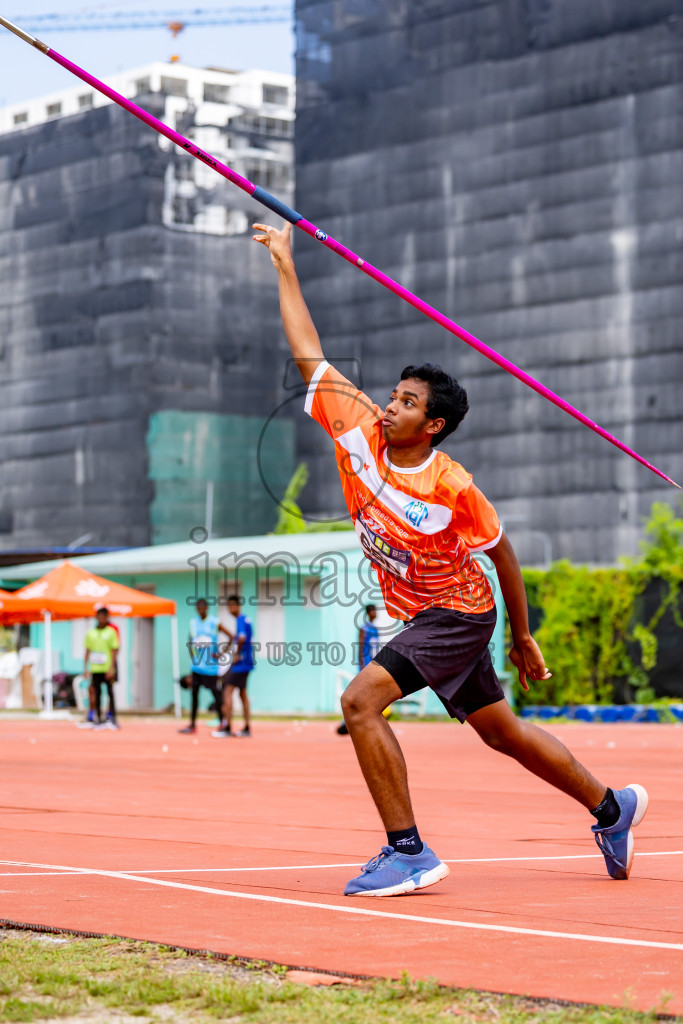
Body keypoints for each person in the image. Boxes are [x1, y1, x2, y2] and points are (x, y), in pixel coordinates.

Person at [253, 220, 648, 896]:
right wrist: (285, 263)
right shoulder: (355, 431)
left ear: (430, 426)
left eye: (406, 402)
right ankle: (612, 810)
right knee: (502, 734)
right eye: (393, 393)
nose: (389, 405)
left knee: (359, 702)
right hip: (429, 615)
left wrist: (521, 636)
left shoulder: (452, 487)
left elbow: (503, 555)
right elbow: (306, 353)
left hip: (458, 612)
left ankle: (406, 851)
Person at [179, 598, 228, 734]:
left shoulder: (214, 622)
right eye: (198, 608)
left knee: (216, 695)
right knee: (194, 695)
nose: (200, 610)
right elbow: (190, 640)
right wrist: (193, 656)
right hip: (196, 667)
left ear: (206, 608)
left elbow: (231, 636)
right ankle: (192, 724)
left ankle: (222, 722)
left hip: (210, 667)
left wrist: (221, 653)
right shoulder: (193, 623)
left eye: (203, 607)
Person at [212, 594, 254, 738]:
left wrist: (237, 654)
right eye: (228, 606)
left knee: (227, 691)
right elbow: (237, 639)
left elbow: (241, 638)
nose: (230, 609)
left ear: (237, 606)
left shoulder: (241, 620)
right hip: (247, 662)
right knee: (242, 694)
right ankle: (247, 727)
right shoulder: (246, 619)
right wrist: (221, 653)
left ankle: (227, 727)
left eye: (231, 606)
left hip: (241, 663)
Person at [337, 604, 381, 735]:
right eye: (374, 611)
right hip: (365, 666)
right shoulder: (364, 629)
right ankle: (346, 721)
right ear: (369, 613)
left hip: (374, 666)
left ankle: (371, 722)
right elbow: (361, 649)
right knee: (361, 694)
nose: (376, 613)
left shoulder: (376, 629)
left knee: (373, 696)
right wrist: (362, 666)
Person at [83, 607, 120, 730]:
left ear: (107, 617)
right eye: (99, 616)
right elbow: (87, 650)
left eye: (104, 616)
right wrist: (86, 668)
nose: (101, 619)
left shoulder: (111, 632)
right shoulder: (91, 633)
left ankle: (113, 717)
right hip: (95, 668)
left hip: (107, 668)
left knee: (110, 693)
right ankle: (98, 717)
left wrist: (111, 668)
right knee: (96, 693)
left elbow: (114, 651)